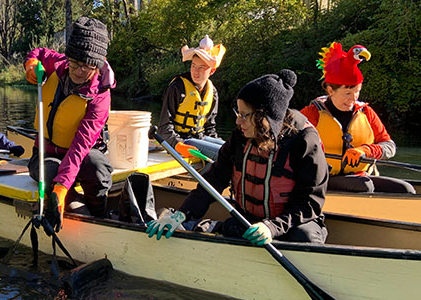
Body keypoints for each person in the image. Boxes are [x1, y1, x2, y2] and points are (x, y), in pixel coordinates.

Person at [147, 69, 329, 246]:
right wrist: (181, 214)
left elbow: (310, 204)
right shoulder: (241, 136)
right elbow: (214, 180)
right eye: (238, 113)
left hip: (292, 222)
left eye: (244, 115)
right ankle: (200, 225)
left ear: (264, 118)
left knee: (304, 237)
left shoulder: (305, 141)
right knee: (235, 228)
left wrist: (271, 228)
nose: (238, 121)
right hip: (251, 219)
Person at [23, 17, 116, 231]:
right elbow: (38, 52)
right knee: (48, 172)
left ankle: (98, 215)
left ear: (99, 64)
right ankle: (67, 207)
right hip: (46, 153)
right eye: (74, 63)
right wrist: (31, 64)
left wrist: (62, 187)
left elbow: (80, 148)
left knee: (99, 168)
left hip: (79, 155)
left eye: (87, 66)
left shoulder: (100, 96)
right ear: (68, 58)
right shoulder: (58, 63)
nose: (79, 71)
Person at [300, 43, 415, 193]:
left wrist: (366, 150)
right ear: (330, 90)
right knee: (364, 186)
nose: (352, 99)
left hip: (360, 176)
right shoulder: (311, 113)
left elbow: (389, 146)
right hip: (322, 178)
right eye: (347, 94)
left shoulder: (366, 112)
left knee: (406, 189)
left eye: (357, 92)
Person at [158, 35, 226, 161]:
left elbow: (210, 128)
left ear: (211, 71)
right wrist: (177, 144)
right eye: (193, 66)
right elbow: (163, 127)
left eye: (201, 68)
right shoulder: (177, 88)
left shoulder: (213, 92)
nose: (196, 72)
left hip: (200, 138)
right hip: (182, 140)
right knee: (223, 154)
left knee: (231, 149)